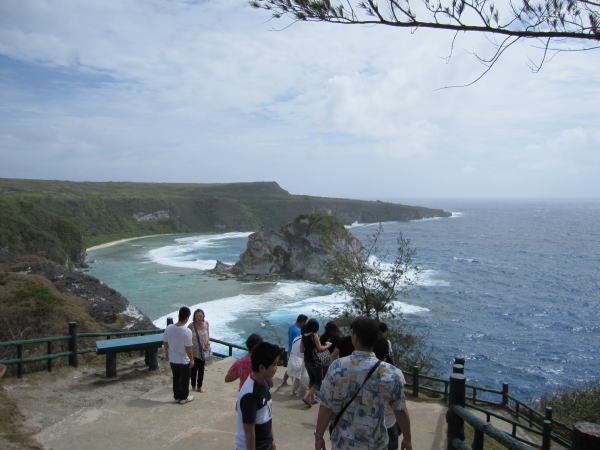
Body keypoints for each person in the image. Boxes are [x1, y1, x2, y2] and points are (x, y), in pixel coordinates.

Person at [314, 318, 412, 450]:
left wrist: (319, 436)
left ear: (354, 336)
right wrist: (407, 439)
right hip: (376, 444)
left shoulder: (337, 367)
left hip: (343, 444)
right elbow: (400, 410)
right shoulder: (392, 373)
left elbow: (326, 407)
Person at [235, 342, 281, 450]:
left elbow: (267, 414)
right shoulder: (250, 395)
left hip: (265, 444)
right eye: (274, 364)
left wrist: (272, 442)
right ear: (261, 368)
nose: (276, 368)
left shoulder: (263, 382)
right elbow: (249, 432)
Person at [374, 335, 402, 450]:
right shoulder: (395, 373)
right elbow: (400, 408)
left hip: (365, 426)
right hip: (389, 424)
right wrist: (408, 437)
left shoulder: (355, 369)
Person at [163, 306, 194, 404]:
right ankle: (184, 397)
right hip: (183, 360)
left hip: (173, 358)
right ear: (187, 317)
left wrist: (167, 353)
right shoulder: (187, 331)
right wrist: (192, 359)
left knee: (176, 378)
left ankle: (177, 396)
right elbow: (188, 348)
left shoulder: (169, 328)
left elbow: (165, 342)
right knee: (184, 379)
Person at [300, 318, 331, 407]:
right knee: (318, 382)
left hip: (307, 360)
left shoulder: (303, 336)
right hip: (315, 361)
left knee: (312, 380)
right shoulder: (314, 336)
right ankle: (306, 397)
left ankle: (312, 399)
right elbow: (320, 348)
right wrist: (327, 346)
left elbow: (301, 350)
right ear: (315, 327)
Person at [281, 314, 308, 387]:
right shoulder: (298, 331)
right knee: (296, 369)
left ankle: (284, 381)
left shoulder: (291, 327)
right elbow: (299, 343)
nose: (305, 324)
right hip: (295, 352)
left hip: (290, 350)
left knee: (290, 368)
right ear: (302, 322)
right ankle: (296, 385)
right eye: (305, 322)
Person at [188, 308, 211, 393]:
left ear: (203, 316)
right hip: (193, 351)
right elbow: (186, 337)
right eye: (197, 316)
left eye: (200, 316)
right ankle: (193, 386)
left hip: (203, 351)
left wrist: (208, 345)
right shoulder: (191, 325)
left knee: (201, 370)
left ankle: (199, 387)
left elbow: (208, 335)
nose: (199, 317)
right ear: (194, 317)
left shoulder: (206, 324)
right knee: (193, 370)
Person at [285, 328, 309, 398]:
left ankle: (293, 391)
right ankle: (300, 393)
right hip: (300, 362)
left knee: (298, 377)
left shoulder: (296, 338)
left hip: (292, 361)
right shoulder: (306, 339)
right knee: (305, 377)